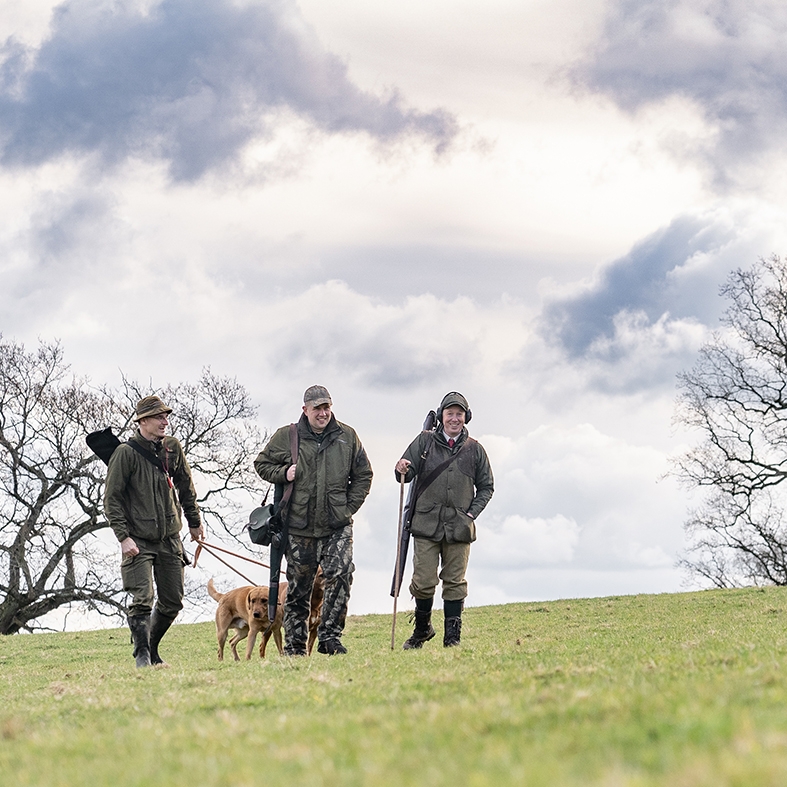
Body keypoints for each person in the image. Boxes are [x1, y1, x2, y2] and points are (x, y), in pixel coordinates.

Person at [254, 385, 373, 656]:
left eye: (326, 407)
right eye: (317, 408)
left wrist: (347, 508)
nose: (323, 413)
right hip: (298, 527)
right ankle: (295, 646)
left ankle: (330, 637)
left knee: (342, 574)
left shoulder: (347, 436)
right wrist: (284, 472)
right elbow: (261, 464)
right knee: (298, 589)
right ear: (305, 410)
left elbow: (364, 475)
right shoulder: (287, 436)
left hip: (336, 526)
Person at [104, 395, 204, 667]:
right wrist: (123, 537)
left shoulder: (172, 448)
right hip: (138, 540)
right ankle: (143, 656)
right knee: (143, 598)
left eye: (165, 416)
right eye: (159, 417)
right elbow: (111, 499)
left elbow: (186, 487)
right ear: (143, 421)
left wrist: (194, 523)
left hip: (170, 539)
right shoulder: (125, 453)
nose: (165, 421)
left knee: (173, 601)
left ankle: (151, 646)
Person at [395, 392, 494, 648]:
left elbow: (487, 487)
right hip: (426, 526)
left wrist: (471, 513)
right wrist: (402, 467)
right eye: (449, 413)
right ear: (441, 416)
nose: (454, 419)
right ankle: (422, 630)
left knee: (455, 583)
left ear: (466, 417)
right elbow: (405, 472)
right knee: (424, 582)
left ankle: (452, 638)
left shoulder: (475, 449)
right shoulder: (424, 442)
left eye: (459, 414)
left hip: (459, 528)